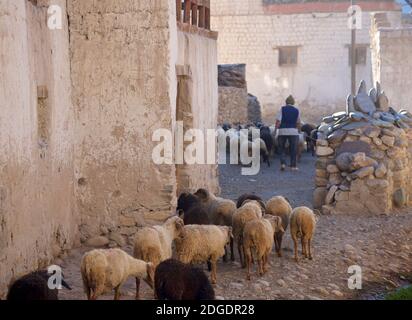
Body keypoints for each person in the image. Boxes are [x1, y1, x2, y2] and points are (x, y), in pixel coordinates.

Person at [275, 95, 302, 171]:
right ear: (293, 102)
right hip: (293, 131)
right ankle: (293, 166)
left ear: (286, 102)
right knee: (293, 149)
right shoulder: (297, 110)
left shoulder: (282, 109)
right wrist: (299, 131)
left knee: (281, 148)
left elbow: (278, 121)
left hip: (282, 131)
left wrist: (275, 130)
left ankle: (283, 164)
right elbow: (298, 122)